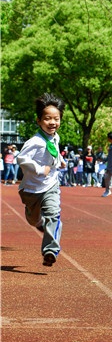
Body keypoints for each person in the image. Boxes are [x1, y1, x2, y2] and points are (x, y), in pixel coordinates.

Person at [16, 93, 66, 266]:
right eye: (47, 119)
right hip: (31, 189)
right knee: (33, 220)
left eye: (56, 118)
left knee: (54, 214)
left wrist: (60, 160)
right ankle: (38, 221)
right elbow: (21, 159)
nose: (52, 122)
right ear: (39, 121)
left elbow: (54, 151)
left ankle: (50, 250)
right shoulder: (35, 141)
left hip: (51, 185)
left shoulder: (55, 137)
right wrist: (39, 169)